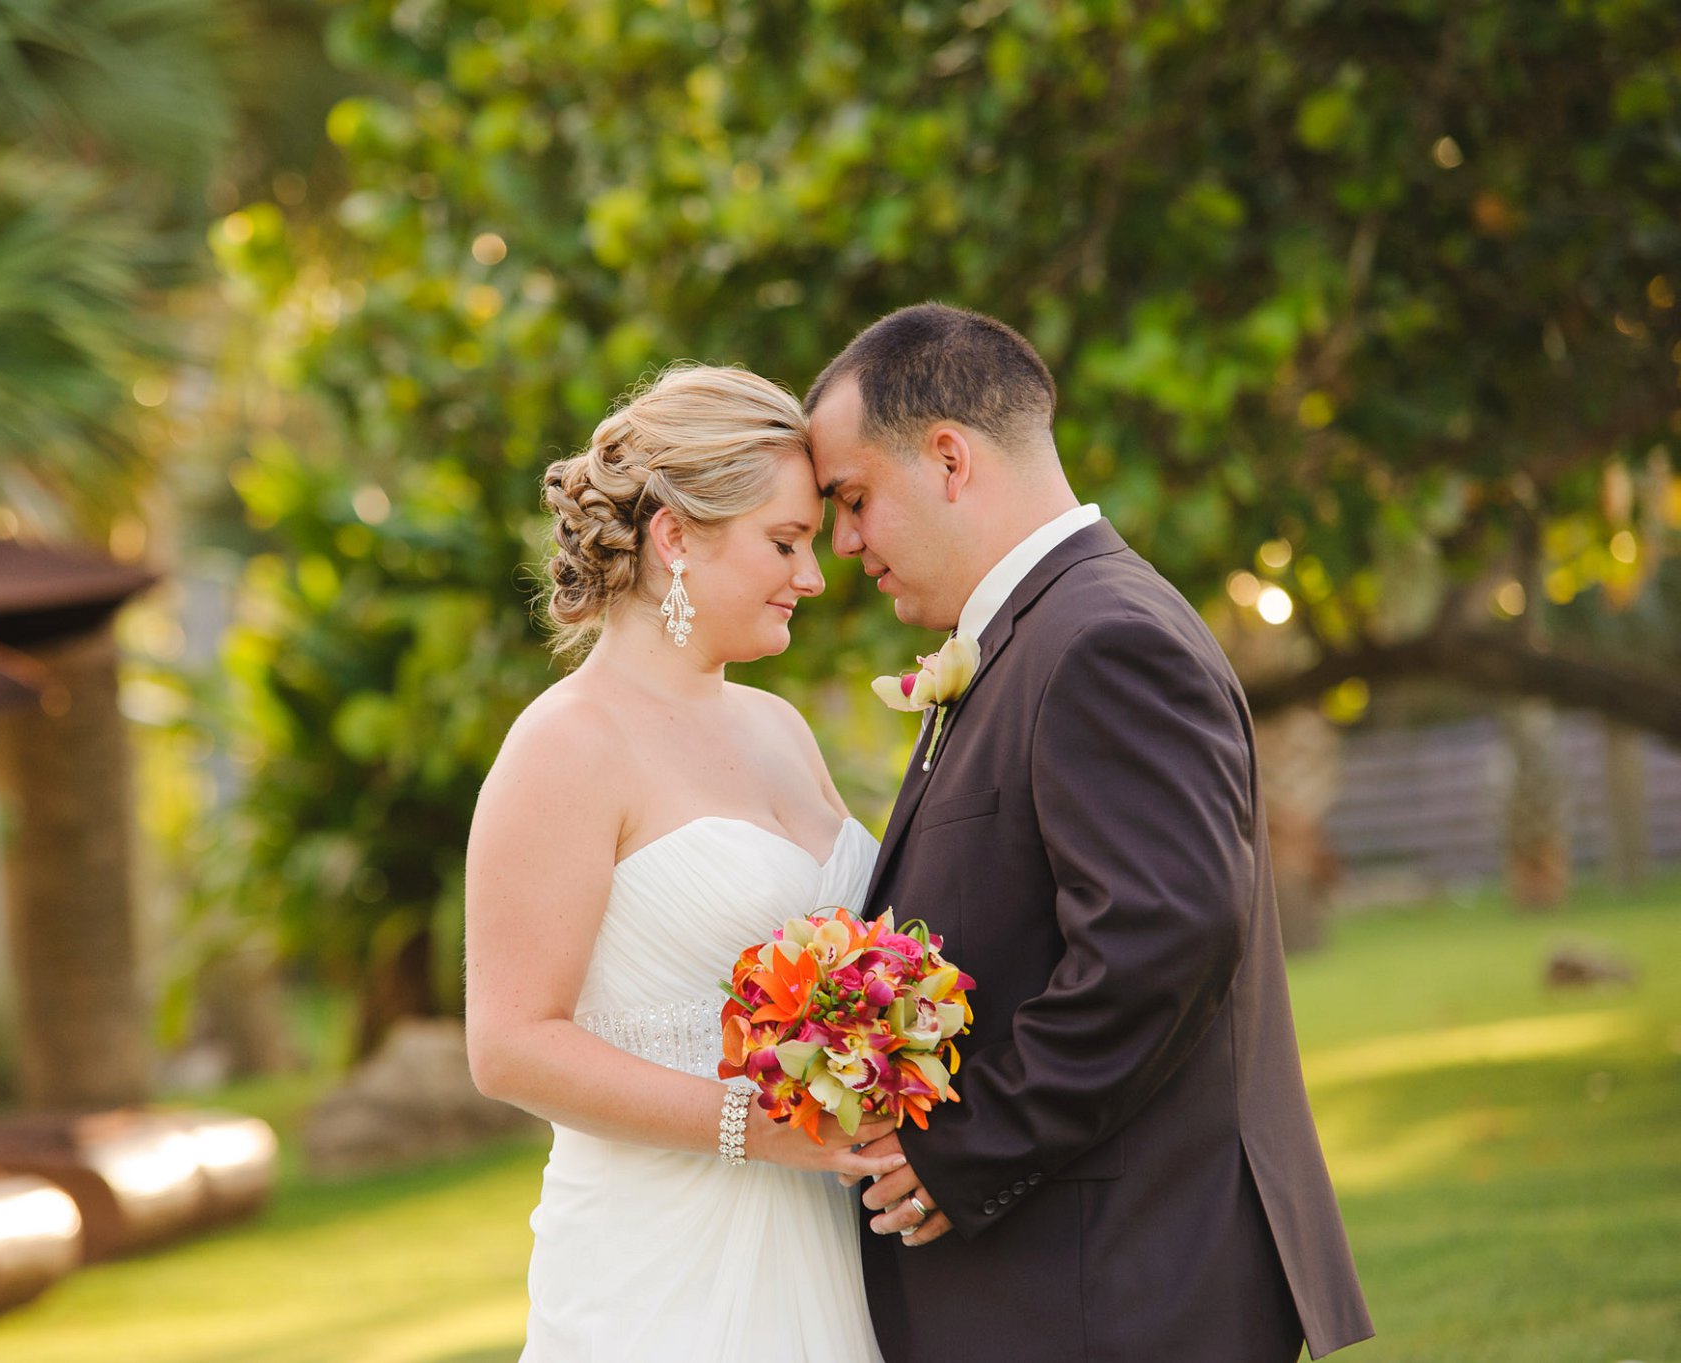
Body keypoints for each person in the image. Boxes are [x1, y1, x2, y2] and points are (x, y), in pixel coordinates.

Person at [805, 303, 1375, 1363]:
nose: (842, 542)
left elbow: (1158, 939)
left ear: (946, 458)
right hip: (1081, 1282)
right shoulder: (1038, 635)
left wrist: (964, 1150)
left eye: (851, 499)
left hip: (1116, 1288)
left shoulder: (1100, 639)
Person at [465, 363, 897, 1362]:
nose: (812, 574)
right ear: (673, 539)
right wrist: (754, 1124)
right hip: (662, 1270)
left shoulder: (779, 726)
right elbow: (510, 1044)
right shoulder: (566, 744)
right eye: (783, 542)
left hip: (823, 1239)